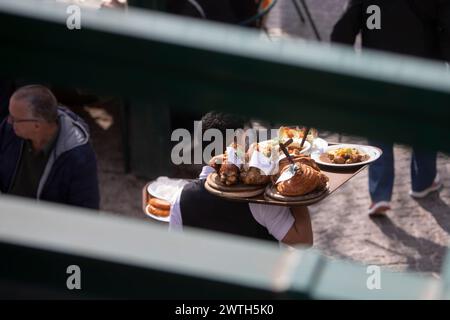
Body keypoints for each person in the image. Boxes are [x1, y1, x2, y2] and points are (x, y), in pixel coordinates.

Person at [331, 0, 449, 216]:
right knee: (424, 125)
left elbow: (342, 30)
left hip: (378, 73)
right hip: (423, 71)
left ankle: (379, 195)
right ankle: (423, 181)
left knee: (379, 130)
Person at [169, 111, 313, 246]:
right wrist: (295, 185)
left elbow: (175, 249)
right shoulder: (259, 200)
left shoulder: (180, 198)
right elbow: (303, 239)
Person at [0, 85, 100, 210]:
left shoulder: (79, 158)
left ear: (37, 125)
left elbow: (86, 212)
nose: (9, 120)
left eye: (14, 119)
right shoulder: (10, 129)